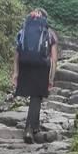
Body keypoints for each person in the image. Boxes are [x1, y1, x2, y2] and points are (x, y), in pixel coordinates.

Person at [12, 8, 58, 144]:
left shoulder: (23, 31)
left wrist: (16, 72)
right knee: (36, 97)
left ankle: (35, 126)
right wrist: (51, 78)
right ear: (45, 19)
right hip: (41, 66)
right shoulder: (50, 34)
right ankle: (29, 129)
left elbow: (17, 53)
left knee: (34, 96)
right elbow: (54, 59)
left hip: (24, 65)